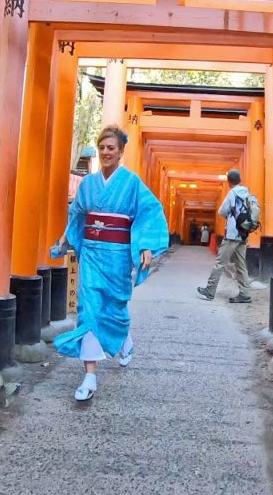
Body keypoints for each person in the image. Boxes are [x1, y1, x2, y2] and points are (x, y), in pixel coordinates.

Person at [51, 126, 169, 402]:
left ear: (120, 152)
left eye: (111, 148)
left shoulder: (132, 183)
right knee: (89, 309)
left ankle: (123, 340)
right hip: (91, 253)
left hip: (117, 255)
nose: (105, 152)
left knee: (114, 307)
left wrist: (146, 245)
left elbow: (150, 211)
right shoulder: (88, 185)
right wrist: (67, 238)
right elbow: (77, 215)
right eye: (102, 147)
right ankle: (90, 376)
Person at [197, 169, 253, 304]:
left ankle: (210, 290)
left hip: (233, 234)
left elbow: (221, 211)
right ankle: (245, 293)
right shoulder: (247, 193)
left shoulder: (232, 193)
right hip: (244, 233)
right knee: (241, 264)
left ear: (229, 182)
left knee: (220, 262)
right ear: (240, 179)